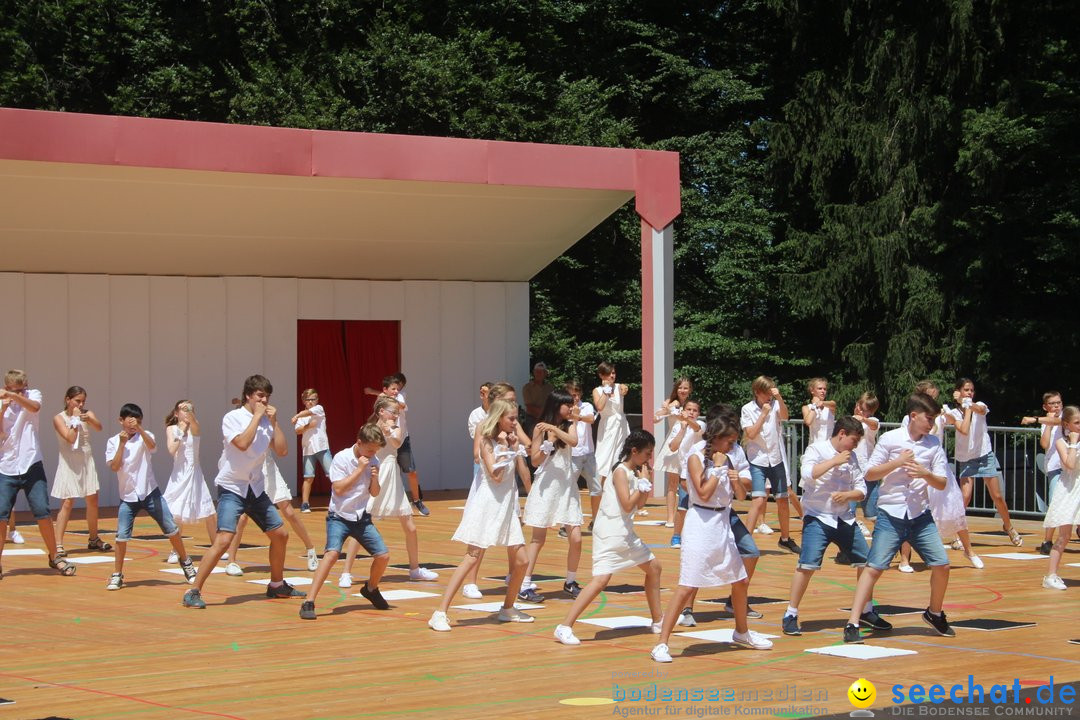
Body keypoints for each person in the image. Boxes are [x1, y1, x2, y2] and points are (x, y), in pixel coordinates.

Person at [651, 417, 774, 662]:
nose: (732, 446)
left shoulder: (729, 457)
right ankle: (662, 643)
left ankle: (741, 632)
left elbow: (740, 495)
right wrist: (718, 470)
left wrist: (737, 479)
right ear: (716, 439)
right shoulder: (696, 456)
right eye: (728, 441)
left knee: (739, 580)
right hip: (700, 522)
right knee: (687, 584)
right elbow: (704, 492)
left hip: (723, 522)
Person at [182, 375, 303, 609]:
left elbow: (283, 450)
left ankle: (277, 585)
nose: (264, 400)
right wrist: (257, 417)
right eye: (260, 395)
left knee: (280, 535)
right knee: (224, 539)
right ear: (248, 395)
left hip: (255, 487)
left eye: (267, 396)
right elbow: (242, 444)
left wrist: (275, 422)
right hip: (232, 486)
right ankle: (193, 590)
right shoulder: (232, 418)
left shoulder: (267, 421)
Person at [843, 392, 954, 643]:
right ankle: (853, 621)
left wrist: (925, 473)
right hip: (891, 513)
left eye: (935, 419)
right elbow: (870, 474)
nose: (932, 424)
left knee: (942, 565)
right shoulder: (890, 439)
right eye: (928, 418)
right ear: (914, 416)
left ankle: (934, 612)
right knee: (874, 568)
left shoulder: (934, 443)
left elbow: (942, 482)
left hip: (920, 515)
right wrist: (897, 462)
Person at [429, 399, 534, 631]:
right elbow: (495, 475)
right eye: (511, 418)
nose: (515, 422)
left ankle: (507, 608)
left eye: (516, 418)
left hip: (507, 506)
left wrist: (517, 451)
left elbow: (522, 473)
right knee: (472, 557)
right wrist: (507, 449)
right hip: (488, 504)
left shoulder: (511, 441)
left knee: (523, 561)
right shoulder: (487, 441)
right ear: (499, 418)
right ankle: (439, 612)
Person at [782, 417, 890, 636]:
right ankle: (791, 613)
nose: (855, 446)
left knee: (866, 563)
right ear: (841, 434)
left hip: (844, 518)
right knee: (807, 565)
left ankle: (866, 611)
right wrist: (834, 461)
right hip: (817, 516)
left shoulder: (853, 458)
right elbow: (807, 475)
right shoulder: (817, 450)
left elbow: (861, 487)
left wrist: (849, 495)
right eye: (853, 440)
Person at [554, 429, 663, 645]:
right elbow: (627, 504)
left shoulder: (634, 473)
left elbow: (639, 505)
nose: (649, 458)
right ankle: (564, 626)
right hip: (610, 531)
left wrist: (644, 484)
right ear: (634, 451)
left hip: (625, 532)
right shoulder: (621, 472)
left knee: (654, 567)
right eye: (647, 454)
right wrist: (641, 485)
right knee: (601, 580)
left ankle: (658, 620)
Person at [338, 397, 438, 587]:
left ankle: (415, 569)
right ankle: (346, 572)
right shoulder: (369, 428)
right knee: (361, 524)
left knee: (410, 526)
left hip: (392, 477)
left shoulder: (397, 428)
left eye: (398, 413)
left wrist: (389, 430)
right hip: (376, 474)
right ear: (381, 411)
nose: (396, 415)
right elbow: (360, 449)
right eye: (393, 412)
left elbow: (398, 443)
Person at [300, 423, 391, 619]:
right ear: (359, 443)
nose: (373, 454)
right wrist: (359, 470)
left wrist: (374, 478)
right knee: (331, 554)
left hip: (361, 518)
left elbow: (374, 492)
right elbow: (339, 489)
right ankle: (309, 601)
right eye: (369, 450)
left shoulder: (374, 460)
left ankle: (371, 589)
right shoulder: (341, 458)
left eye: (375, 451)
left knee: (383, 556)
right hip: (339, 517)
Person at [105, 403, 196, 590]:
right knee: (121, 536)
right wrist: (122, 444)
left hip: (149, 492)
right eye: (128, 419)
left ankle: (186, 562)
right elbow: (114, 466)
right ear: (120, 421)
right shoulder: (113, 441)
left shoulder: (146, 436)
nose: (132, 423)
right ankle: (117, 574)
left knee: (171, 527)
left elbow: (153, 446)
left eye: (136, 420)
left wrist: (140, 430)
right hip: (128, 496)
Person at [0, 369, 75, 577]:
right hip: (5, 466)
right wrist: (3, 407)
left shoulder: (33, 394)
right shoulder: (2, 402)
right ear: (6, 387)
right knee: (1, 515)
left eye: (21, 389)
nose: (18, 393)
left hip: (31, 463)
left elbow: (34, 407)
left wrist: (15, 396)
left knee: (42, 511)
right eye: (13, 389)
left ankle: (54, 557)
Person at [520, 391, 581, 601]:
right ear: (557, 406)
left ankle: (570, 581)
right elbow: (535, 460)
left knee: (576, 537)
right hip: (547, 486)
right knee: (538, 538)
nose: (571, 409)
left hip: (567, 488)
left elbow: (573, 441)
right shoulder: (539, 428)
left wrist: (555, 430)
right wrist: (548, 443)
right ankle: (524, 583)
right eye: (567, 405)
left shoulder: (569, 424)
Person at [949, 378, 1022, 546]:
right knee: (965, 496)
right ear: (958, 391)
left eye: (972, 390)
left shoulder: (978, 404)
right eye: (966, 390)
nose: (970, 393)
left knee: (997, 496)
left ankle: (1008, 526)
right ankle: (956, 533)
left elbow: (981, 410)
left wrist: (966, 402)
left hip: (984, 454)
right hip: (966, 458)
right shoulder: (954, 413)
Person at [741, 376, 799, 553]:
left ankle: (785, 539)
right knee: (759, 499)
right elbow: (750, 434)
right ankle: (746, 542)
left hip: (776, 458)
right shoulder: (747, 409)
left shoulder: (775, 404)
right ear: (757, 392)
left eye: (772, 393)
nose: (770, 397)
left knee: (782, 499)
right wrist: (764, 414)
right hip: (758, 459)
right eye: (767, 393)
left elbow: (785, 416)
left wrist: (779, 398)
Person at [51, 385, 111, 556]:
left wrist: (89, 419)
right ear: (67, 400)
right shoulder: (59, 418)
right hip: (69, 462)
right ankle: (58, 544)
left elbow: (99, 427)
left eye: (83, 401)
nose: (80, 404)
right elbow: (70, 438)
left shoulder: (87, 413)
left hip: (86, 459)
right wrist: (75, 421)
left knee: (92, 499)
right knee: (67, 502)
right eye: (77, 401)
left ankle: (93, 538)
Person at [162, 400, 216, 563]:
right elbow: (172, 450)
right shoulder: (171, 429)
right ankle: (175, 550)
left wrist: (190, 418)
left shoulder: (195, 426)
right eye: (182, 409)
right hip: (179, 474)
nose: (186, 412)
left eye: (189, 409)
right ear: (176, 413)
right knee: (177, 514)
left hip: (195, 473)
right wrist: (181, 431)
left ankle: (216, 547)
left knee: (209, 513)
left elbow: (195, 427)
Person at [1040, 405, 1080, 590]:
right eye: (1077, 422)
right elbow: (1070, 464)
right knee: (1064, 535)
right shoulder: (1062, 443)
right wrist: (1073, 442)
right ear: (1066, 424)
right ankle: (1051, 575)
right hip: (1070, 490)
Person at [1022, 392, 1065, 555]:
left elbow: (1059, 420)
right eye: (1052, 403)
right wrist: (1046, 424)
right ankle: (1047, 540)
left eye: (1059, 403)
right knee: (1054, 502)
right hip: (1055, 467)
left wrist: (1035, 419)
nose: (1056, 406)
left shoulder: (1067, 416)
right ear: (1045, 406)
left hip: (1072, 466)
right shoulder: (1046, 423)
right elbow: (1045, 443)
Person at [654, 377, 693, 528]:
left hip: (688, 442)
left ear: (690, 390)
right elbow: (655, 419)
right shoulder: (671, 403)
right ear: (676, 389)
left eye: (685, 388)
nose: (682, 391)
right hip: (673, 443)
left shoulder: (690, 406)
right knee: (672, 483)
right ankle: (670, 518)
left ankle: (686, 515)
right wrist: (666, 408)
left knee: (688, 481)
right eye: (680, 388)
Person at [592, 362, 630, 511]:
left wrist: (622, 388)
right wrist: (606, 392)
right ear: (601, 375)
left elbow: (624, 389)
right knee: (602, 462)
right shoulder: (597, 390)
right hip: (607, 429)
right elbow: (599, 407)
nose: (612, 376)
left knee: (619, 460)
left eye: (613, 373)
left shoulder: (619, 386)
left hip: (621, 427)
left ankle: (616, 498)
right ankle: (599, 496)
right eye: (608, 373)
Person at [666, 400, 703, 549]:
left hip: (700, 474)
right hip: (684, 473)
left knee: (699, 506)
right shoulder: (678, 426)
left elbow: (697, 428)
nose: (691, 412)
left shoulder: (700, 424)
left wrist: (687, 420)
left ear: (698, 413)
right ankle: (676, 536)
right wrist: (682, 428)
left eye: (694, 410)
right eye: (689, 409)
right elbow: (673, 447)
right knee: (682, 507)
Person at [291, 388, 331, 513]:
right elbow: (297, 431)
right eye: (307, 399)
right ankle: (305, 503)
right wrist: (308, 426)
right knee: (308, 478)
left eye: (313, 399)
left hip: (322, 447)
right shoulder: (303, 416)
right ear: (303, 401)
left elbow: (308, 414)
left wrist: (297, 416)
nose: (310, 402)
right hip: (308, 449)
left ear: (317, 400)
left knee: (333, 475)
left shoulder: (319, 408)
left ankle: (337, 502)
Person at [566, 380, 598, 529]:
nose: (576, 398)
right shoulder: (564, 409)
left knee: (596, 489)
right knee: (569, 489)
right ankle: (566, 524)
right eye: (573, 395)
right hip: (572, 455)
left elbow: (591, 419)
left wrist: (577, 416)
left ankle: (595, 521)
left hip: (589, 453)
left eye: (578, 394)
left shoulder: (586, 406)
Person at [850, 391, 881, 540]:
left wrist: (862, 418)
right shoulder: (851, 421)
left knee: (872, 511)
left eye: (866, 410)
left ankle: (884, 533)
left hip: (868, 471)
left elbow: (874, 425)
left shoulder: (872, 421)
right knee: (849, 509)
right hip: (852, 471)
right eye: (861, 407)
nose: (863, 411)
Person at [522, 362, 554, 435]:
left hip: (547, 419)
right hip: (532, 419)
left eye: (541, 372)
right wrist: (544, 415)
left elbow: (552, 403)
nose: (539, 374)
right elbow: (529, 406)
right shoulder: (527, 387)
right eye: (537, 371)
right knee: (532, 440)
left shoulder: (550, 388)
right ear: (534, 372)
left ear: (545, 373)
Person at [801, 377, 837, 443]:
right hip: (814, 445)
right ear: (812, 390)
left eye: (825, 389)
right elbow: (808, 422)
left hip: (829, 445)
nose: (823, 391)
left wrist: (822, 403)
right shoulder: (806, 408)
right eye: (820, 389)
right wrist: (814, 405)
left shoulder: (829, 405)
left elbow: (833, 404)